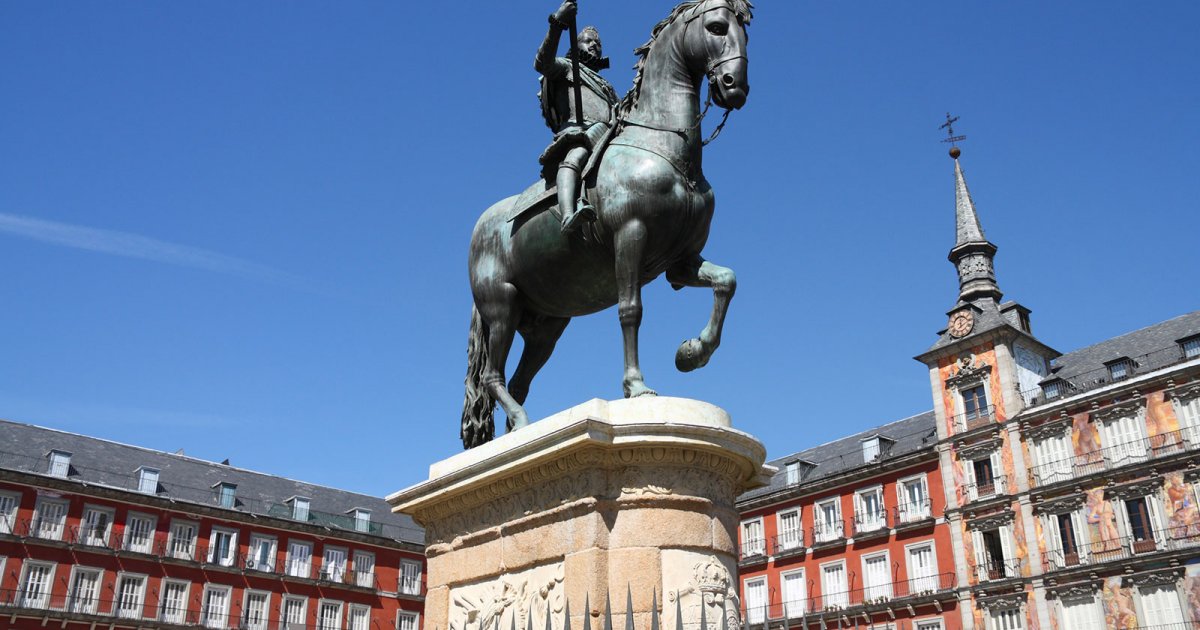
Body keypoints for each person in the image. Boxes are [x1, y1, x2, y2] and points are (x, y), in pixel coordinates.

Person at [534, 0, 619, 234]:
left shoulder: (607, 85)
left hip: (606, 137)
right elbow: (543, 63)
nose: (595, 46)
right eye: (589, 41)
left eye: (598, 43)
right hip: (579, 134)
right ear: (577, 43)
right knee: (577, 156)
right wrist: (558, 23)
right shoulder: (566, 67)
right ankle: (568, 215)